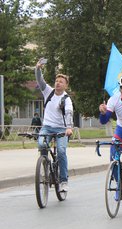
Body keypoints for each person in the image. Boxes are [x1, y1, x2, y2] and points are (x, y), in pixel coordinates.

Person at [35, 59, 73, 192]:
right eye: (57, 81)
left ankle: (63, 181)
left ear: (65, 85)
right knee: (41, 144)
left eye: (61, 82)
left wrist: (69, 128)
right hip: (47, 127)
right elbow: (40, 81)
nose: (58, 83)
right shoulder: (48, 92)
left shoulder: (66, 99)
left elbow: (69, 113)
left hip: (62, 129)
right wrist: (38, 69)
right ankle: (45, 167)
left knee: (61, 152)